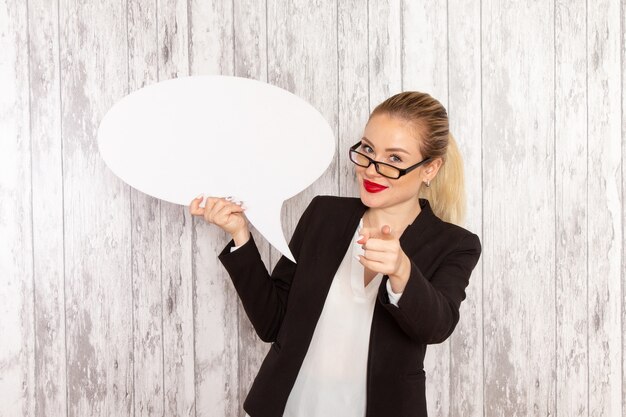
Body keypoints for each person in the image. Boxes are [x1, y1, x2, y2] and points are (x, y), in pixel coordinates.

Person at [189, 91, 482, 417]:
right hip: (293, 406)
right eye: (368, 150)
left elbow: (437, 326)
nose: (372, 169)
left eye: (395, 159)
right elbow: (272, 324)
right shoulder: (323, 215)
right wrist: (240, 235)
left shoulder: (455, 244)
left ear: (430, 169)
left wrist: (402, 271)